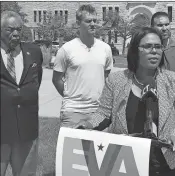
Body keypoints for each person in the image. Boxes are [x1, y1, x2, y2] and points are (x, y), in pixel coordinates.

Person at [73, 27, 175, 176]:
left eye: (158, 46)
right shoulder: (116, 80)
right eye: (148, 46)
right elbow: (104, 112)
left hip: (165, 161)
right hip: (125, 158)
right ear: (135, 51)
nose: (154, 51)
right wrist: (88, 124)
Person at [52, 4, 113, 127]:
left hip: (99, 111)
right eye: (88, 21)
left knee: (98, 147)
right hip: (73, 111)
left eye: (95, 21)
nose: (92, 24)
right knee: (71, 146)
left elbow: (106, 76)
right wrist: (70, 96)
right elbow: (56, 79)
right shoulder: (67, 49)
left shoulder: (105, 49)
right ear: (78, 23)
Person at [1, 11, 43, 175]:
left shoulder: (33, 52)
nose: (16, 33)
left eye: (19, 29)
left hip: (26, 129)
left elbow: (35, 82)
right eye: (10, 30)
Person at [151, 12, 175, 85]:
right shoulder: (147, 48)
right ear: (152, 27)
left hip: (174, 92)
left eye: (167, 24)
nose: (164, 28)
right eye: (160, 25)